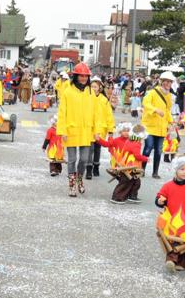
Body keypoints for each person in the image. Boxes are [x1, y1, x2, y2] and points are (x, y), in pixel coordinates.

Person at [56, 62, 97, 197]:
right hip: (71, 130)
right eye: (81, 76)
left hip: (86, 131)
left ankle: (80, 179)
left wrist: (96, 130)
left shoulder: (90, 92)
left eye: (86, 76)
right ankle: (72, 184)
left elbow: (95, 113)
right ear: (76, 76)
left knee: (84, 159)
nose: (84, 78)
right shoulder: (68, 91)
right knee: (72, 159)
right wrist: (62, 131)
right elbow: (62, 113)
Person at [98, 123, 149, 204]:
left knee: (135, 181)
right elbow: (137, 155)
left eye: (128, 131)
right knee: (125, 182)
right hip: (125, 165)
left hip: (130, 165)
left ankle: (132, 196)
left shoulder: (131, 140)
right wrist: (146, 159)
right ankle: (117, 197)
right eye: (124, 131)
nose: (126, 133)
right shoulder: (133, 142)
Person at [143, 72, 176, 179]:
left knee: (158, 150)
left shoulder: (169, 95)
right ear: (161, 82)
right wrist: (155, 110)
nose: (168, 83)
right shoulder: (153, 92)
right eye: (166, 81)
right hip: (150, 126)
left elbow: (167, 110)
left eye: (170, 82)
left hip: (162, 127)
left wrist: (171, 122)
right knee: (148, 147)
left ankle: (155, 172)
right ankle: (142, 169)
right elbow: (145, 103)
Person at [87, 76, 114, 179]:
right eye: (92, 86)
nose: (94, 88)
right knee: (90, 148)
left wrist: (111, 130)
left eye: (95, 86)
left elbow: (109, 115)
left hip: (101, 128)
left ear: (100, 88)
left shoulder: (104, 100)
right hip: (90, 128)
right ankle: (89, 168)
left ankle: (96, 166)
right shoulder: (87, 98)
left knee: (97, 149)